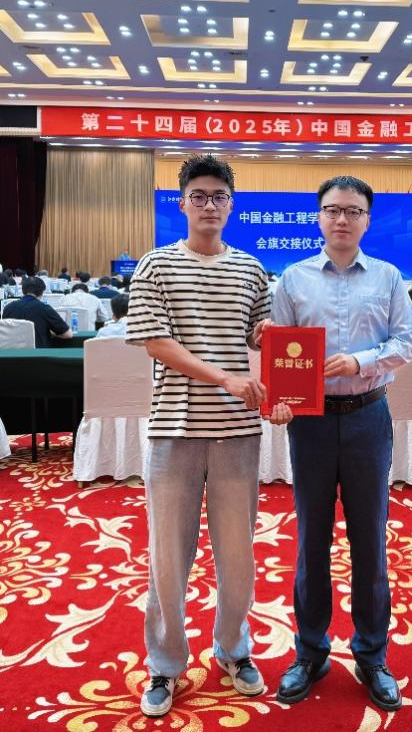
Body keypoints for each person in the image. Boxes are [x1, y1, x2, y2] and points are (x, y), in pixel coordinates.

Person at [125, 154, 291, 719]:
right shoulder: (155, 266)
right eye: (199, 196)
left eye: (219, 196)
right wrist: (224, 377)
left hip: (237, 432)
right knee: (168, 558)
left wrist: (276, 349)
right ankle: (165, 664)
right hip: (173, 429)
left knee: (238, 555)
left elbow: (264, 338)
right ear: (182, 203)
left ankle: (234, 650)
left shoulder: (250, 269)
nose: (209, 205)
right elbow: (155, 342)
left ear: (232, 204)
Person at [271, 175, 412, 712]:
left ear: (367, 220)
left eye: (353, 211)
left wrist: (360, 361)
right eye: (333, 209)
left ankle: (372, 655)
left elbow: (406, 342)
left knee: (369, 540)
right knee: (311, 540)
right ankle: (310, 652)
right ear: (318, 216)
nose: (342, 219)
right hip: (309, 423)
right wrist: (280, 396)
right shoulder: (293, 278)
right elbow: (279, 347)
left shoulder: (388, 277)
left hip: (367, 417)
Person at [3, 276, 72, 347]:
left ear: (23, 291)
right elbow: (68, 334)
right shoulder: (44, 308)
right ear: (42, 292)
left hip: (12, 352)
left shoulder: (8, 308)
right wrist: (48, 332)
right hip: (38, 353)